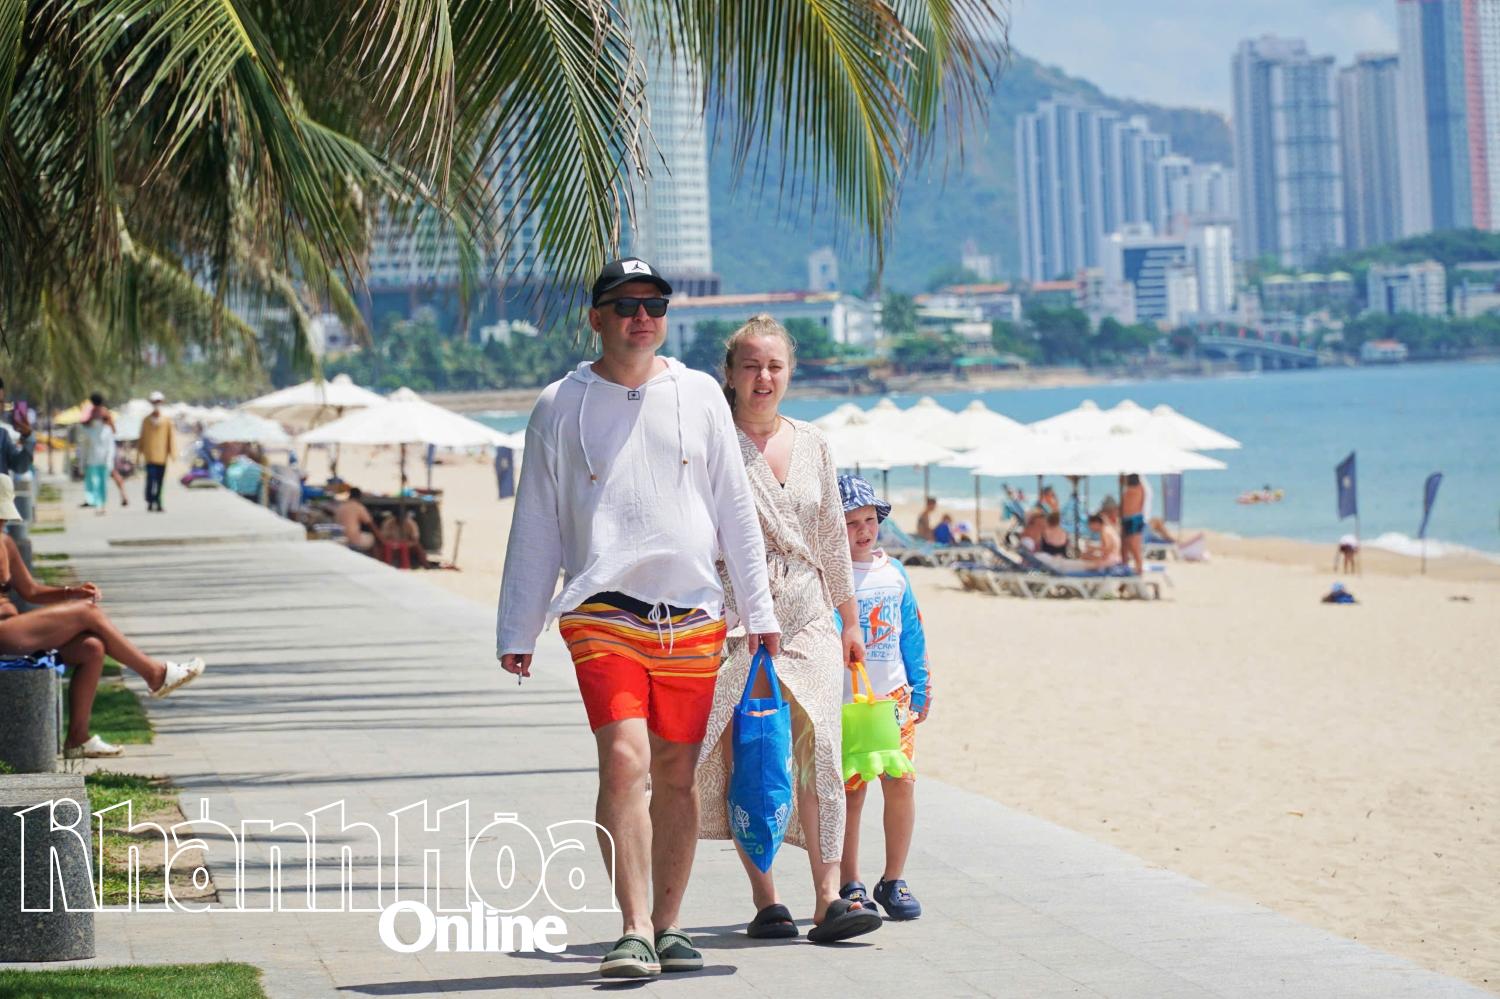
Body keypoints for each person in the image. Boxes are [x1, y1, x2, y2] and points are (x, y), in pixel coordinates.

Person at [497, 258, 779, 979]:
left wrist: (760, 610)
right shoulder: (560, 404)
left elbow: (734, 508)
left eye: (654, 303)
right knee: (625, 760)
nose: (642, 316)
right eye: (625, 305)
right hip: (602, 610)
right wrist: (518, 626)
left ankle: (667, 924)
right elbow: (536, 519)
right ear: (597, 318)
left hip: (693, 612)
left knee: (678, 772)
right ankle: (632, 927)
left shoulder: (699, 394)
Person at [696, 314, 878, 946]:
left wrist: (849, 620)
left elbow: (831, 539)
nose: (763, 377)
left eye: (774, 366)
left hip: (808, 614)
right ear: (730, 373)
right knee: (751, 752)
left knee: (821, 747)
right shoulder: (712, 441)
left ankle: (828, 898)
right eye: (750, 366)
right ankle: (766, 898)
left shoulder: (814, 443)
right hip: (735, 620)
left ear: (790, 373)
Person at [0, 475, 204, 756]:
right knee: (88, 613)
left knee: (92, 648)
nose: (3, 521)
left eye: (4, 516)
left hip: (14, 628)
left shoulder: (6, 542)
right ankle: (155, 674)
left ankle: (77, 739)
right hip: (4, 632)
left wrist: (72, 592)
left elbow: (31, 591)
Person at [835, 474, 931, 922]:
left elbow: (912, 632)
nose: (864, 530)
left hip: (893, 696)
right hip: (847, 700)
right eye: (852, 522)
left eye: (870, 520)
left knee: (901, 782)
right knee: (852, 791)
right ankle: (850, 881)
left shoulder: (894, 572)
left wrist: (921, 685)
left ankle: (894, 879)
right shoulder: (832, 578)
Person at [137, 391, 176, 512]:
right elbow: (142, 437)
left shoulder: (166, 420)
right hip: (149, 456)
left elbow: (170, 437)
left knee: (160, 481)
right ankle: (150, 500)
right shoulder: (146, 420)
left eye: (158, 402)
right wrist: (139, 454)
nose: (156, 404)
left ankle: (158, 502)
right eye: (155, 402)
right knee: (150, 480)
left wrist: (172, 453)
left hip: (162, 456)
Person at [79, 394, 116, 510]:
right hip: (92, 460)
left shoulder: (106, 426)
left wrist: (109, 460)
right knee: (95, 482)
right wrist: (82, 462)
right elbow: (84, 446)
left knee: (103, 483)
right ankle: (97, 503)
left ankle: (101, 503)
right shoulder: (89, 416)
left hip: (103, 460)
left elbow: (111, 445)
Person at [335, 487, 378, 553]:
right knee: (372, 538)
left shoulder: (341, 506)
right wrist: (382, 539)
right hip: (353, 540)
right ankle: (372, 559)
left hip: (340, 540)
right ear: (359, 496)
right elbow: (371, 525)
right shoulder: (358, 506)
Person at [1121, 473, 1147, 575]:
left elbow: (1142, 503)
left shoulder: (1139, 487)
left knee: (1134, 545)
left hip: (1134, 518)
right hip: (1127, 518)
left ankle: (1139, 569)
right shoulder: (1128, 488)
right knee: (1125, 545)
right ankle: (1126, 567)